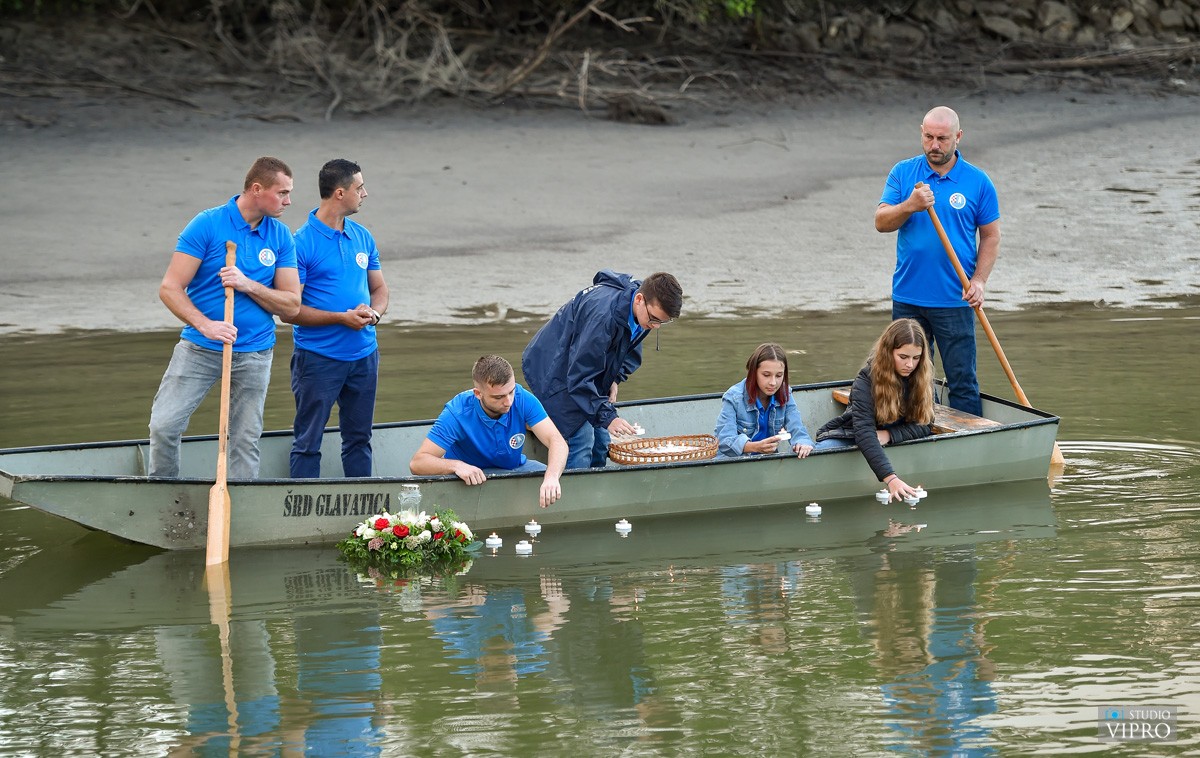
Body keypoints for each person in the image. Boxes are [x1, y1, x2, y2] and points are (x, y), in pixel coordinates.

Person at [148, 156, 301, 479]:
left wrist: (248, 284)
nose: (288, 201)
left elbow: (291, 306)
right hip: (199, 348)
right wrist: (206, 325)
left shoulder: (281, 236)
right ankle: (163, 498)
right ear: (257, 189)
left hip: (255, 352)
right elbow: (170, 288)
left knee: (244, 440)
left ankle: (238, 509)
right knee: (164, 426)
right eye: (282, 193)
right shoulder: (208, 224)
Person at [874, 105, 1000, 416]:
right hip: (908, 297)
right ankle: (918, 433)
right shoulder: (904, 173)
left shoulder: (977, 181)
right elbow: (881, 222)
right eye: (928, 137)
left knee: (962, 380)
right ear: (921, 132)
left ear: (958, 137)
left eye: (942, 138)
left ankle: (969, 441)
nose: (934, 146)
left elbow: (991, 236)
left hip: (955, 299)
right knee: (910, 377)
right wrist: (910, 205)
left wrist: (980, 281)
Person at [283, 159, 390, 478]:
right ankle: (302, 520)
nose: (365, 194)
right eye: (360, 188)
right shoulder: (300, 243)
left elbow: (380, 288)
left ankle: (367, 521)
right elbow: (292, 310)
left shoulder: (362, 237)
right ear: (340, 193)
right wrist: (341, 318)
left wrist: (374, 314)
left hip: (364, 357)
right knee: (307, 442)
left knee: (359, 440)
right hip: (318, 360)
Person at [522, 270, 683, 469]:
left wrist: (615, 379)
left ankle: (595, 493)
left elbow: (627, 349)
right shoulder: (603, 318)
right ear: (640, 299)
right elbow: (579, 378)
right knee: (581, 440)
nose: (656, 326)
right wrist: (609, 418)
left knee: (601, 444)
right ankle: (573, 495)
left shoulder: (642, 312)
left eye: (662, 322)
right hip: (553, 368)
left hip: (583, 370)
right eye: (654, 319)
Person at [409, 355, 568, 508]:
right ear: (478, 394)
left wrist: (552, 477)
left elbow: (557, 441)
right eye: (498, 397)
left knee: (555, 481)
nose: (508, 402)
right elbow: (418, 463)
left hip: (514, 469)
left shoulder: (522, 398)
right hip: (470, 480)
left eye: (511, 392)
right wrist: (456, 466)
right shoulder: (456, 413)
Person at [814, 318, 935, 503]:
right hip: (851, 436)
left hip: (887, 438)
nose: (910, 364)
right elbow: (863, 432)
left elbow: (927, 424)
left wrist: (889, 434)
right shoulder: (865, 380)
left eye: (916, 358)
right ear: (888, 352)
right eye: (903, 357)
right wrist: (891, 479)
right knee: (819, 451)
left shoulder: (922, 377)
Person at [714, 342, 815, 458]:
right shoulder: (733, 397)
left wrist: (803, 443)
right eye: (766, 375)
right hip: (732, 462)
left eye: (779, 376)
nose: (773, 383)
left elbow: (797, 427)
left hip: (766, 462)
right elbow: (725, 441)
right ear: (753, 373)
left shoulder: (785, 393)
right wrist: (755, 447)